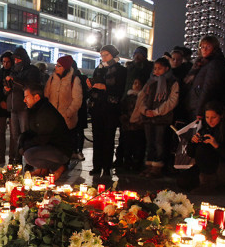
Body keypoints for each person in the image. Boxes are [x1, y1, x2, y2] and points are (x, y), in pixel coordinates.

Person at [179, 101, 225, 192]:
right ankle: (207, 182)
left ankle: (208, 183)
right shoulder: (205, 128)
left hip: (222, 167)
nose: (210, 120)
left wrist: (216, 145)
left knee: (204, 149)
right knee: (182, 181)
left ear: (221, 116)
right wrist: (193, 142)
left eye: (213, 117)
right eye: (207, 117)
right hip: (204, 167)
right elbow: (191, 154)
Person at [19, 84, 74, 181]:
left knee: (29, 155)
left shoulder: (45, 112)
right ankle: (43, 169)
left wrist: (26, 146)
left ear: (36, 97)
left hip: (61, 150)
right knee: (26, 150)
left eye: (26, 97)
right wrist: (22, 140)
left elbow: (44, 137)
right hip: (50, 146)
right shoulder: (35, 110)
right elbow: (33, 132)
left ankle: (60, 167)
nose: (24, 100)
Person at [137, 58, 180, 178]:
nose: (156, 70)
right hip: (148, 117)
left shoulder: (172, 82)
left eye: (159, 68)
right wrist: (145, 110)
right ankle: (149, 165)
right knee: (149, 142)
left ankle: (157, 166)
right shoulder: (150, 82)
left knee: (159, 142)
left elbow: (172, 101)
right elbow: (142, 97)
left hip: (162, 118)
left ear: (166, 68)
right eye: (155, 68)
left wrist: (157, 112)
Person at [88, 44, 126, 176]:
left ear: (113, 55)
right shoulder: (99, 69)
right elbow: (94, 87)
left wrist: (105, 88)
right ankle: (96, 166)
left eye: (106, 55)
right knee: (97, 138)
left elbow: (120, 89)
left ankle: (107, 166)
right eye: (101, 55)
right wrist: (92, 86)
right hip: (97, 108)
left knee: (108, 139)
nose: (103, 58)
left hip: (111, 109)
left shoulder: (120, 70)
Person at [117, 46, 152, 172]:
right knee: (124, 139)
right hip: (127, 103)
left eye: (140, 54)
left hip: (139, 118)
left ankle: (137, 162)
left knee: (139, 142)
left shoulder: (147, 68)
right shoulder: (129, 68)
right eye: (136, 54)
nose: (137, 56)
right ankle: (123, 160)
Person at [5, 46, 41, 165]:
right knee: (15, 136)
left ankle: (29, 160)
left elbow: (30, 86)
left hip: (25, 107)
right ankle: (17, 158)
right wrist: (7, 88)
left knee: (25, 134)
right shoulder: (14, 70)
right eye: (15, 59)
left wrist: (14, 80)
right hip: (14, 106)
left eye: (18, 59)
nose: (16, 61)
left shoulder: (32, 70)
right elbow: (10, 87)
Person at [183, 35, 225, 122]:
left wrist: (200, 109)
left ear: (214, 48)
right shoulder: (201, 63)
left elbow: (208, 88)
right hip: (194, 104)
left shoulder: (215, 64)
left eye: (208, 46)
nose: (204, 49)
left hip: (202, 107)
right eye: (202, 46)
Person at [44, 55, 83, 133]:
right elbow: (46, 95)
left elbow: (77, 100)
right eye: (56, 65)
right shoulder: (51, 78)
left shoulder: (74, 80)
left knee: (64, 142)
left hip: (66, 120)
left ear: (65, 68)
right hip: (52, 118)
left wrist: (68, 113)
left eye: (59, 66)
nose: (56, 67)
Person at [0, 51, 13, 165]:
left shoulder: (14, 73)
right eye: (4, 62)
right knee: (0, 132)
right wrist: (0, 101)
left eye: (8, 62)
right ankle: (1, 156)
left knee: (13, 133)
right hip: (1, 105)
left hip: (11, 105)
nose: (5, 64)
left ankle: (11, 157)